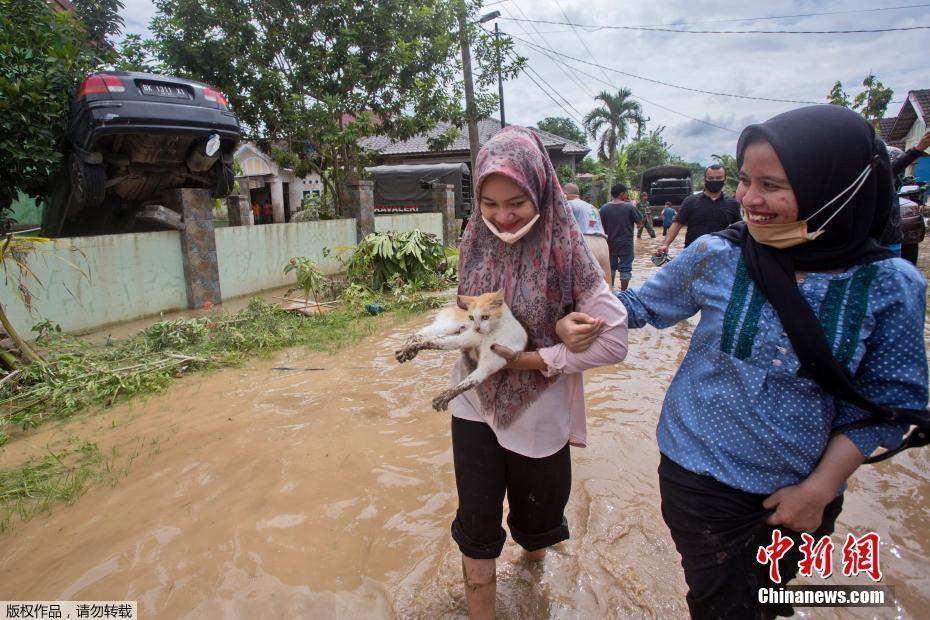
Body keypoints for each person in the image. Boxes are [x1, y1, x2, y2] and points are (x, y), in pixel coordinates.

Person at [558, 105, 928, 619]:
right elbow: (640, 306)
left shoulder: (892, 286)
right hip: (697, 473)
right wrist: (576, 318)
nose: (749, 200)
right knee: (721, 605)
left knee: (768, 599)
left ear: (837, 188)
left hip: (803, 494)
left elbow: (891, 405)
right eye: (745, 181)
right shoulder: (719, 254)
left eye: (773, 185)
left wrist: (818, 490)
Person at [450, 126, 629, 619]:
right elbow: (468, 312)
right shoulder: (472, 239)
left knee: (535, 524)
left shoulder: (570, 252)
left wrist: (538, 353)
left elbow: (615, 340)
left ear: (541, 191)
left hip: (539, 411)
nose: (502, 217)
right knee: (476, 524)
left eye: (516, 202)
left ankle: (533, 585)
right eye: (490, 203)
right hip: (473, 401)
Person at [657, 164, 740, 255]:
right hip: (693, 254)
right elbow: (677, 223)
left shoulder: (733, 204)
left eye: (719, 178)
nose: (715, 181)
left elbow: (740, 228)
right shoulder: (690, 201)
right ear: (705, 179)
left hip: (721, 256)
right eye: (711, 178)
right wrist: (666, 244)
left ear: (725, 179)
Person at [563, 182, 612, 286]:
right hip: (603, 244)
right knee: (605, 286)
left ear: (565, 194)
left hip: (585, 243)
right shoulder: (592, 207)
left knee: (584, 287)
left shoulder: (568, 205)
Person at [598, 183, 642, 290]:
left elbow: (600, 227)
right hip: (626, 244)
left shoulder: (604, 208)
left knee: (610, 268)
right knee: (625, 269)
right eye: (626, 193)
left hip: (609, 244)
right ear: (622, 194)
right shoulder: (629, 207)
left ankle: (610, 292)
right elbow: (640, 223)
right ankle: (624, 293)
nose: (627, 195)